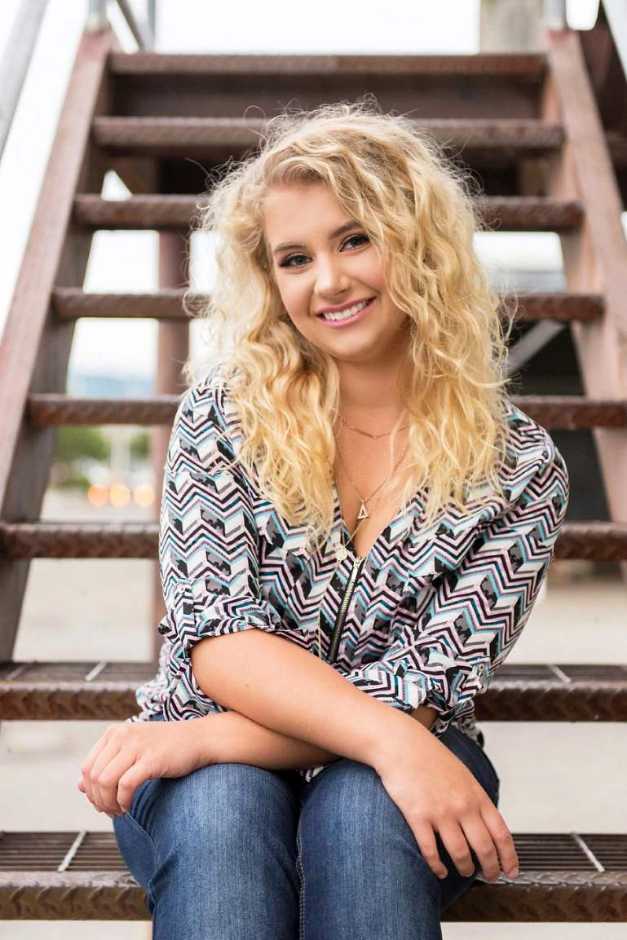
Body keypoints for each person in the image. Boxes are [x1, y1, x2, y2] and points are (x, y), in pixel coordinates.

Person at [77, 98, 569, 939]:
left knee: (362, 815)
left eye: (355, 239)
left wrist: (206, 739)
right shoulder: (223, 418)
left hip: (388, 758)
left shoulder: (519, 469)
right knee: (225, 814)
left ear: (418, 245)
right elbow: (222, 641)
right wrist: (388, 740)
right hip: (224, 768)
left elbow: (421, 691)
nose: (328, 282)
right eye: (294, 259)